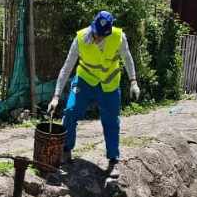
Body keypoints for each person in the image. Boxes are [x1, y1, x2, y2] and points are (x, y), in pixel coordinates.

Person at [47, 11, 140, 183]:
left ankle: (113, 160)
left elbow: (127, 58)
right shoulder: (80, 39)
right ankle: (66, 150)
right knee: (71, 111)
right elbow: (67, 67)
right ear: (93, 26)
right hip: (85, 81)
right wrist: (56, 96)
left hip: (109, 84)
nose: (98, 38)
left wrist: (133, 81)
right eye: (97, 33)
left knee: (111, 121)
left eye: (103, 35)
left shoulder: (119, 37)